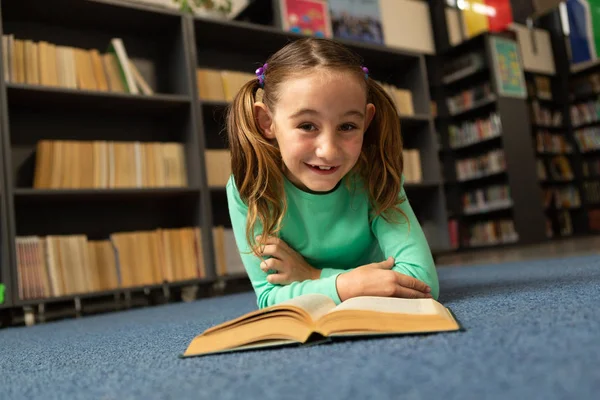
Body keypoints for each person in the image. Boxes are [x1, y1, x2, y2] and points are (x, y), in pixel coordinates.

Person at [225, 37, 438, 309]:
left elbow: (422, 281)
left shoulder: (375, 173)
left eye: (347, 126)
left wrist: (315, 277)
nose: (328, 151)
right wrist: (353, 283)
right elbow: (269, 298)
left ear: (367, 120)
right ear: (267, 122)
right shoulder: (250, 186)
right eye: (307, 126)